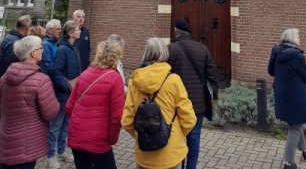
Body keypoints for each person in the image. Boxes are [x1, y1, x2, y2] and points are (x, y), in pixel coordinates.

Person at [122, 37, 196, 169]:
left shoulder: (134, 81)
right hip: (171, 155)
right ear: (164, 54)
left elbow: (127, 121)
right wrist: (175, 135)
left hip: (144, 155)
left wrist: (143, 135)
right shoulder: (173, 80)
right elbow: (189, 118)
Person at [0, 36, 59, 169]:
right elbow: (50, 113)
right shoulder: (41, 80)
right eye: (41, 48)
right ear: (33, 53)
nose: (43, 51)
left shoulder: (4, 77)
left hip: (5, 141)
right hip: (26, 144)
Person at [66, 39, 126, 169]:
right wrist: (112, 139)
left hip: (77, 138)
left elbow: (69, 106)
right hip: (99, 142)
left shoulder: (85, 74)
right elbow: (117, 116)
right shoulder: (115, 78)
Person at [168, 19, 218, 169]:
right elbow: (212, 75)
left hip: (175, 104)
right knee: (194, 139)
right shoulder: (203, 49)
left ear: (176, 32)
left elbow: (164, 74)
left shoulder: (170, 49)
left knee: (174, 138)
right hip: (197, 105)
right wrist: (213, 96)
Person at [268, 28, 306, 169]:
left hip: (282, 94)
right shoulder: (297, 56)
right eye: (298, 35)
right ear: (292, 38)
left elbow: (271, 71)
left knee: (295, 123)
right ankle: (288, 162)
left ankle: (305, 151)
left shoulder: (276, 51)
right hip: (296, 96)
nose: (300, 37)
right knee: (295, 127)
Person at [47, 21, 82, 169]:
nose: (79, 30)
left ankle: (61, 151)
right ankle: (50, 157)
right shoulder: (62, 49)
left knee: (66, 124)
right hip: (63, 94)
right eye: (77, 29)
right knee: (55, 126)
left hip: (72, 93)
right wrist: (66, 86)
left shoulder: (74, 48)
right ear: (70, 32)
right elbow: (55, 71)